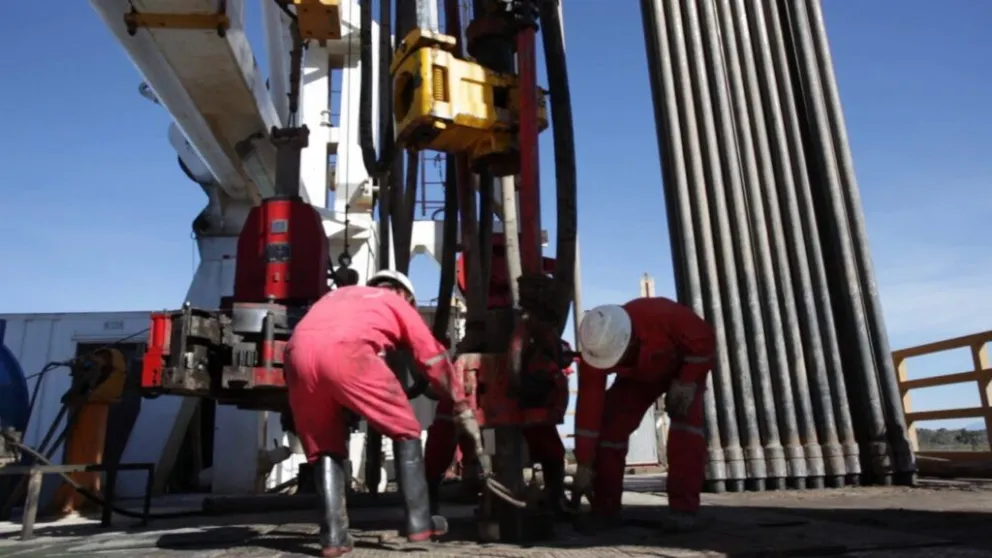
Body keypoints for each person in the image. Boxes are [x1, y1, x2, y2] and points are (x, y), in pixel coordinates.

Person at [284, 269, 483, 558]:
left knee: (324, 446)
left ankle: (334, 536)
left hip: (296, 355)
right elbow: (432, 356)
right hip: (346, 353)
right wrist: (457, 397)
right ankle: (419, 523)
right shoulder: (396, 302)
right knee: (406, 429)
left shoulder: (339, 296)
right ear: (405, 295)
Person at [571, 298, 715, 532]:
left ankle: (683, 510)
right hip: (636, 378)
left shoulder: (663, 315)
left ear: (629, 340)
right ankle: (605, 509)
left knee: (686, 429)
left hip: (681, 368)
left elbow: (704, 341)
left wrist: (688, 380)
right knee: (609, 430)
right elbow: (589, 410)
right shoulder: (594, 352)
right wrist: (584, 463)